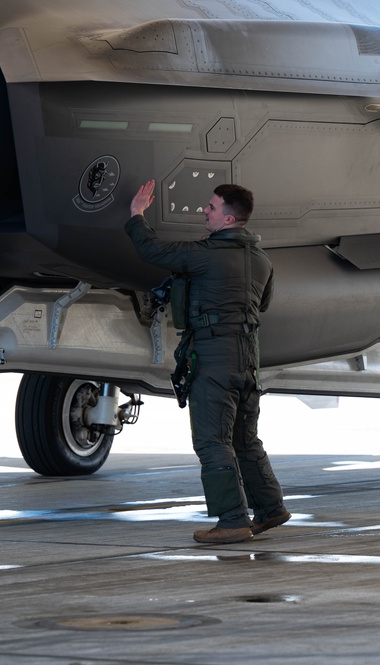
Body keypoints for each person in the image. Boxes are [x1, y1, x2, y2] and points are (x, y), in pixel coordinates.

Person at [125, 179, 290, 544]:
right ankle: (270, 508)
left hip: (214, 358)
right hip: (248, 359)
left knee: (212, 440)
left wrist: (136, 215)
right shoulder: (262, 260)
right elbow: (262, 304)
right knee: (245, 439)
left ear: (229, 219)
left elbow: (153, 251)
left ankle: (232, 520)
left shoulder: (203, 255)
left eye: (211, 207)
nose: (205, 210)